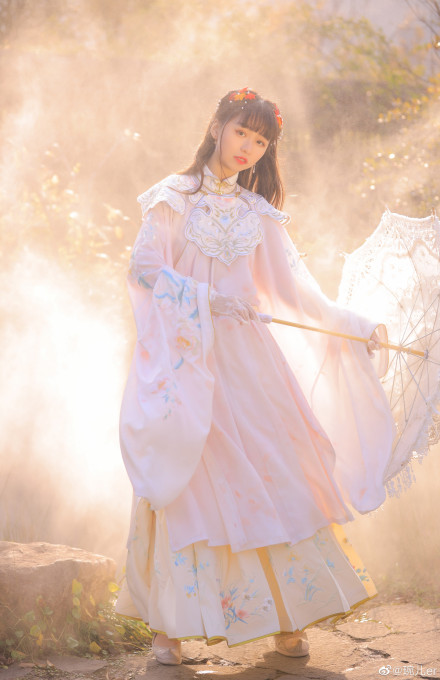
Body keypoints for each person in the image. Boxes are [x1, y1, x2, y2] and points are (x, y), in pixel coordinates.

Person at [115, 88, 395, 666]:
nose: (248, 146)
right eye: (241, 131)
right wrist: (206, 299)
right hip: (188, 361)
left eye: (261, 141)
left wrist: (359, 326)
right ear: (216, 126)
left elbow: (298, 295)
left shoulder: (257, 215)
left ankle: (288, 617)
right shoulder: (172, 197)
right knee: (189, 483)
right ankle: (170, 626)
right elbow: (144, 268)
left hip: (250, 367)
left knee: (275, 475)